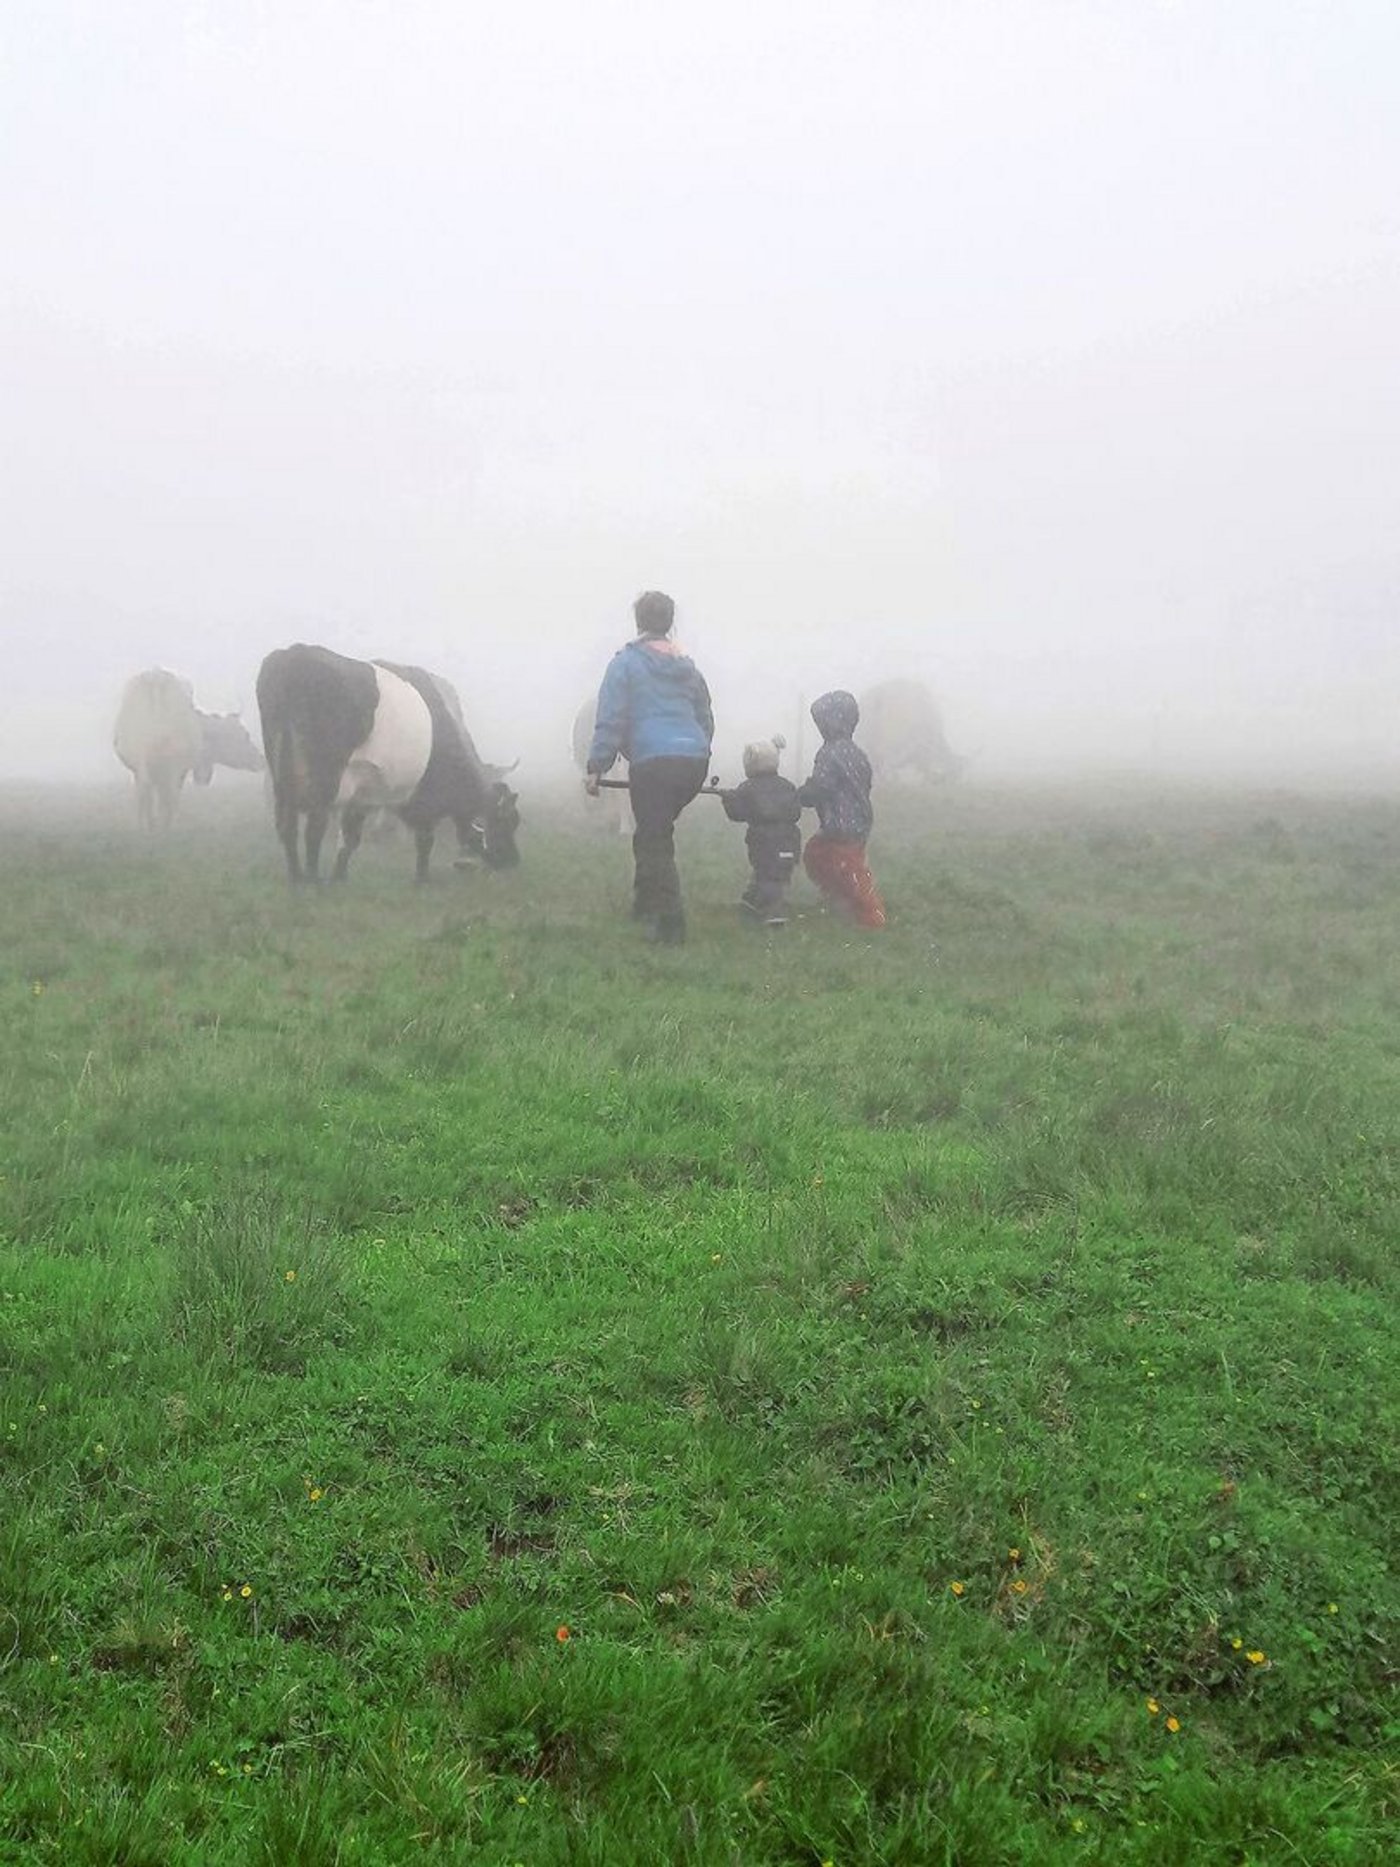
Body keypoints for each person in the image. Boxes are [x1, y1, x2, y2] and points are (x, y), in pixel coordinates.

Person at [585, 591, 714, 945]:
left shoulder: (625, 663)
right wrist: (699, 748)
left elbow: (611, 717)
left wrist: (597, 765)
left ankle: (670, 923)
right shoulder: (688, 666)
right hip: (693, 763)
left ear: (639, 621)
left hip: (653, 762)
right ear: (669, 622)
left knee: (655, 839)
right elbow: (705, 715)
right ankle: (643, 903)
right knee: (652, 830)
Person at [799, 690, 887, 929]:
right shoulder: (856, 753)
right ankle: (838, 894)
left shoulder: (830, 753)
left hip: (843, 823)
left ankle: (871, 915)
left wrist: (803, 795)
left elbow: (822, 785)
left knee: (851, 869)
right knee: (816, 854)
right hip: (855, 820)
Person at [721, 737, 802, 926]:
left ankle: (773, 913)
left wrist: (728, 800)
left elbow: (737, 814)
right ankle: (753, 902)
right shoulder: (787, 785)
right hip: (790, 840)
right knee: (777, 875)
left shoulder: (747, 788)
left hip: (763, 842)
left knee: (766, 875)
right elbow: (796, 811)